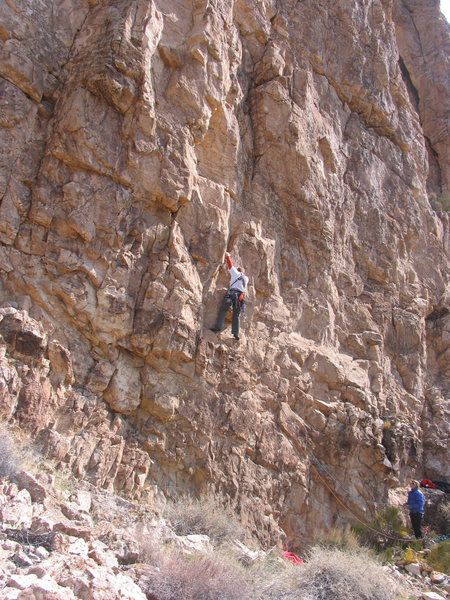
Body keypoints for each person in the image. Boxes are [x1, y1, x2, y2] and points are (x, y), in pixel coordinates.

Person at [210, 252, 248, 340]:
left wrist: (228, 256)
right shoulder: (246, 279)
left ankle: (218, 327)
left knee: (223, 309)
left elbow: (230, 264)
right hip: (240, 298)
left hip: (231, 295)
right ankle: (236, 334)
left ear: (238, 271)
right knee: (236, 315)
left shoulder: (235, 273)